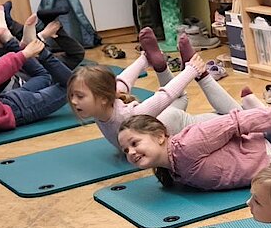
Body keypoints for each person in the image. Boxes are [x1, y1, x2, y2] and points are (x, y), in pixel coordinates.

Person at [116, 83, 271, 191]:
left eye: (134, 143)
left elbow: (234, 122)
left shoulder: (188, 145)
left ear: (160, 136)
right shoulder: (172, 168)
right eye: (126, 150)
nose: (131, 152)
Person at [67, 32, 237, 148]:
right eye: (73, 95)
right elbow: (122, 83)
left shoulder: (126, 116)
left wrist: (191, 70)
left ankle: (200, 74)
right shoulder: (107, 104)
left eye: (80, 96)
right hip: (163, 122)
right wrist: (144, 60)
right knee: (184, 100)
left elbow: (163, 96)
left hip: (169, 123)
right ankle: (164, 68)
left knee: (235, 117)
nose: (73, 101)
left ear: (103, 97)